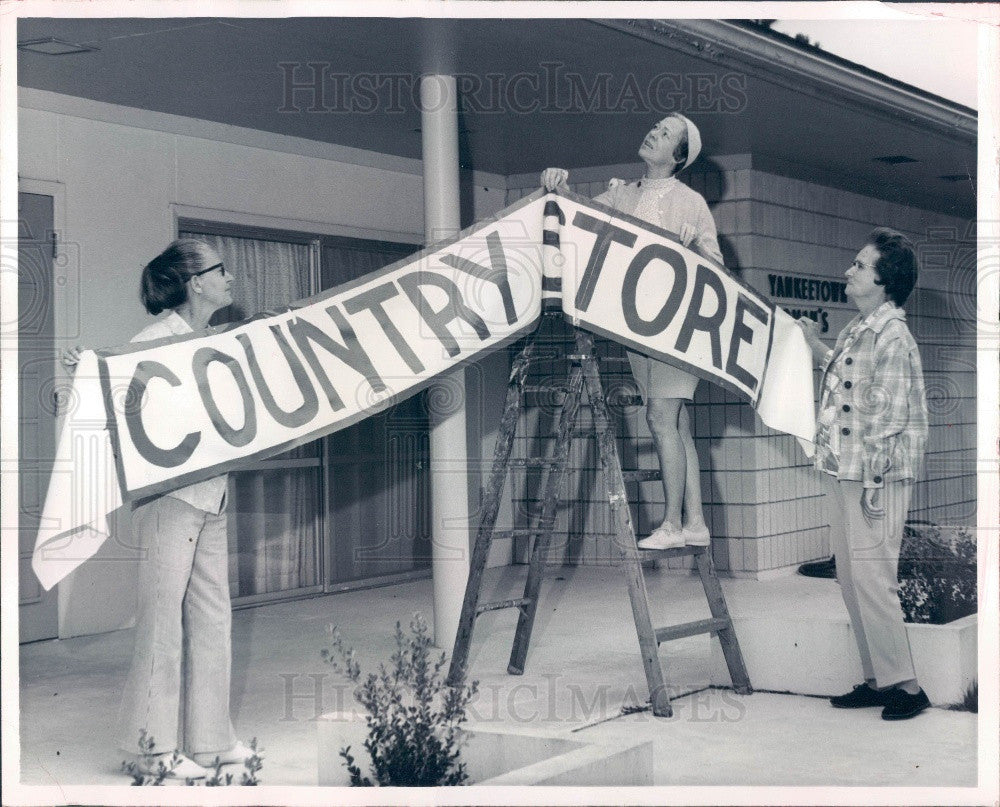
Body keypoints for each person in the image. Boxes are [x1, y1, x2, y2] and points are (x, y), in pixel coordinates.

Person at [62, 239, 252, 776]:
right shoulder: (155, 340)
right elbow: (118, 399)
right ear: (195, 282)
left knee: (214, 617)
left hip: (210, 491)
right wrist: (91, 369)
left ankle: (211, 742)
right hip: (169, 498)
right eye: (220, 270)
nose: (229, 277)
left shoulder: (213, 337)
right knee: (163, 624)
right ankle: (149, 752)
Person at [541, 113, 720, 550]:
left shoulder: (691, 202)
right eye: (654, 127)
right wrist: (557, 185)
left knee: (660, 417)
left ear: (678, 156)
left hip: (680, 329)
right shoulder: (624, 194)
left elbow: (718, 270)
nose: (652, 134)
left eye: (664, 134)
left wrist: (694, 244)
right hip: (640, 330)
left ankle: (673, 525)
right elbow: (581, 213)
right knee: (675, 423)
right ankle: (696, 522)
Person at [798, 228, 930, 721]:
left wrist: (874, 485)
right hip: (845, 469)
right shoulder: (861, 328)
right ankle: (879, 678)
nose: (847, 272)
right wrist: (813, 343)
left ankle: (909, 688)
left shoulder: (894, 336)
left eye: (858, 265)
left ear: (883, 279)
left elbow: (889, 419)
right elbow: (839, 370)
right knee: (852, 578)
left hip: (877, 477)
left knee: (874, 579)